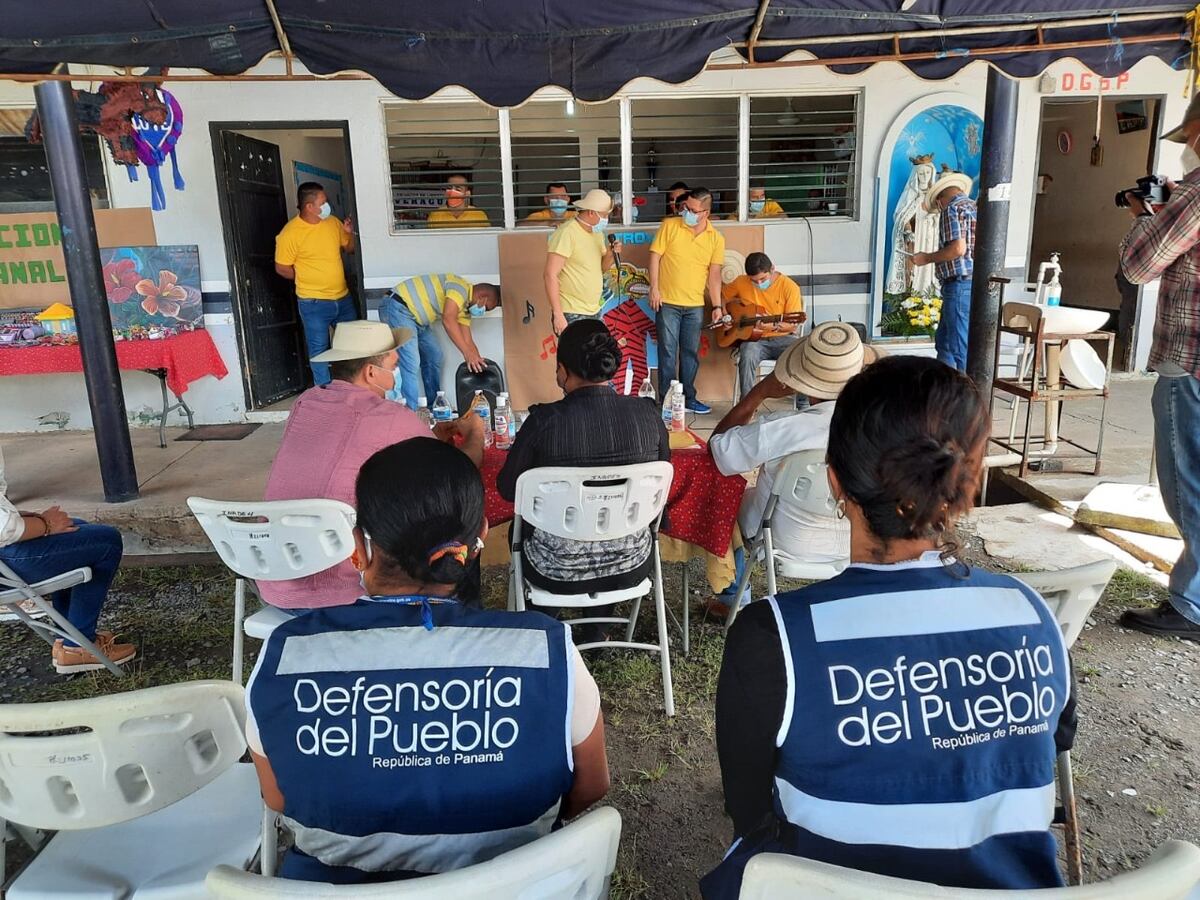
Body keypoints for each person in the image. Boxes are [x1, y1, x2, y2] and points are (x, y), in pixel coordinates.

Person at [703, 356, 1076, 898]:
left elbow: (749, 806)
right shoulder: (1030, 611)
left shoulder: (775, 637)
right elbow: (1054, 740)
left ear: (835, 481)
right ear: (965, 480)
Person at [247, 438, 609, 883]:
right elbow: (591, 786)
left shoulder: (285, 656)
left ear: (358, 547)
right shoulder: (549, 652)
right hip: (516, 887)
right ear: (477, 541)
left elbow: (278, 798)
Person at [497, 320, 670, 636]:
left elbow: (509, 489)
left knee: (519, 530)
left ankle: (543, 625)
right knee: (606, 524)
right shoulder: (648, 415)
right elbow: (661, 500)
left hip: (553, 568)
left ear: (562, 370)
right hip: (630, 563)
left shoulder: (543, 422)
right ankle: (597, 628)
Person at [261, 320, 436, 611]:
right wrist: (475, 433)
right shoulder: (385, 414)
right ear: (370, 372)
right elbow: (445, 464)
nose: (395, 377)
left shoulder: (306, 402)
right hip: (342, 595)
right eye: (392, 368)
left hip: (275, 580)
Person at [706, 323, 873, 617]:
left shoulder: (783, 428)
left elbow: (718, 451)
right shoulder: (886, 428)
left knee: (725, 492)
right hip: (863, 539)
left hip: (783, 539)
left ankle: (735, 597)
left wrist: (758, 393)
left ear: (802, 382)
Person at [1118, 93, 1200, 641]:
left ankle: (1191, 604)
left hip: (1190, 361)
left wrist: (1146, 214)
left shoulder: (1195, 196)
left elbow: (1139, 264)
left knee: (1187, 480)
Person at [0, 446, 135, 674]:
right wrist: (46, 525)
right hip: (7, 564)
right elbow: (4, 528)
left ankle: (70, 635)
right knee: (107, 542)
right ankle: (79, 645)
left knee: (78, 526)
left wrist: (37, 520)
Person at [649, 186, 726, 414]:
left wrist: (717, 306)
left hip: (695, 305)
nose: (686, 212)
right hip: (668, 302)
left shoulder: (716, 238)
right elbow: (654, 257)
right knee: (668, 353)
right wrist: (654, 288)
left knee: (690, 354)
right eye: (685, 207)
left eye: (692, 209)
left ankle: (688, 398)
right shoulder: (670, 226)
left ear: (706, 213)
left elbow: (714, 276)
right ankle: (667, 402)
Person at [274, 181, 357, 386]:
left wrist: (349, 232)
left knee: (352, 347)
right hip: (314, 303)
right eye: (323, 201)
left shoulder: (333, 223)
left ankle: (351, 392)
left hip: (343, 298)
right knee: (320, 353)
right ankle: (325, 397)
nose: (327, 205)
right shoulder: (290, 234)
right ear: (309, 206)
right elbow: (282, 267)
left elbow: (351, 249)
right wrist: (305, 277)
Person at [381, 275, 502, 408]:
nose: (484, 312)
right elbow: (448, 319)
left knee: (434, 355)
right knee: (411, 361)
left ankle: (434, 406)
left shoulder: (464, 310)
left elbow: (468, 341)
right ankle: (410, 413)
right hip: (397, 307)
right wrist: (467, 354)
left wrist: (477, 360)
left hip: (416, 319)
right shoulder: (460, 287)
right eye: (487, 308)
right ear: (482, 297)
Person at [912, 170, 976, 372]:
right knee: (947, 343)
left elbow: (957, 248)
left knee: (957, 347)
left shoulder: (951, 209)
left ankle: (963, 398)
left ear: (940, 201)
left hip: (959, 283)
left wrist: (926, 258)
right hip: (972, 283)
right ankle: (944, 389)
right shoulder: (973, 207)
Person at [721, 252, 804, 400]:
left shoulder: (790, 287)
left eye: (763, 279)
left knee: (803, 350)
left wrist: (771, 327)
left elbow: (792, 326)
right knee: (747, 352)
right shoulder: (741, 282)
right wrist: (725, 314)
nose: (759, 284)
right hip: (755, 341)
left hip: (783, 339)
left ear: (772, 269)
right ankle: (746, 405)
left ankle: (803, 403)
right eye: (754, 281)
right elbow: (722, 297)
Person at [544, 189, 622, 335]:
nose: (606, 219)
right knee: (576, 357)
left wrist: (611, 255)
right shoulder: (567, 232)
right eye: (604, 215)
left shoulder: (597, 233)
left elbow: (601, 269)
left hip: (594, 309)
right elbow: (550, 275)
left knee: (599, 354)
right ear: (591, 212)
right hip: (571, 311)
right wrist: (558, 314)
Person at [426, 173, 491, 229]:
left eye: (458, 189)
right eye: (449, 188)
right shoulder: (435, 215)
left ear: (467, 194)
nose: (452, 192)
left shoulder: (479, 215)